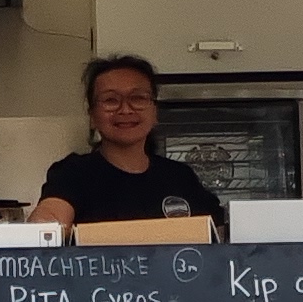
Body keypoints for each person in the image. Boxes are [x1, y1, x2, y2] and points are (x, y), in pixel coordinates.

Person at [29, 54, 227, 230]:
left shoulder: (180, 177)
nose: (125, 109)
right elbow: (49, 222)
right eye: (111, 100)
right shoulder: (73, 174)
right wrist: (45, 225)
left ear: (155, 112)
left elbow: (219, 234)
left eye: (138, 98)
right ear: (92, 117)